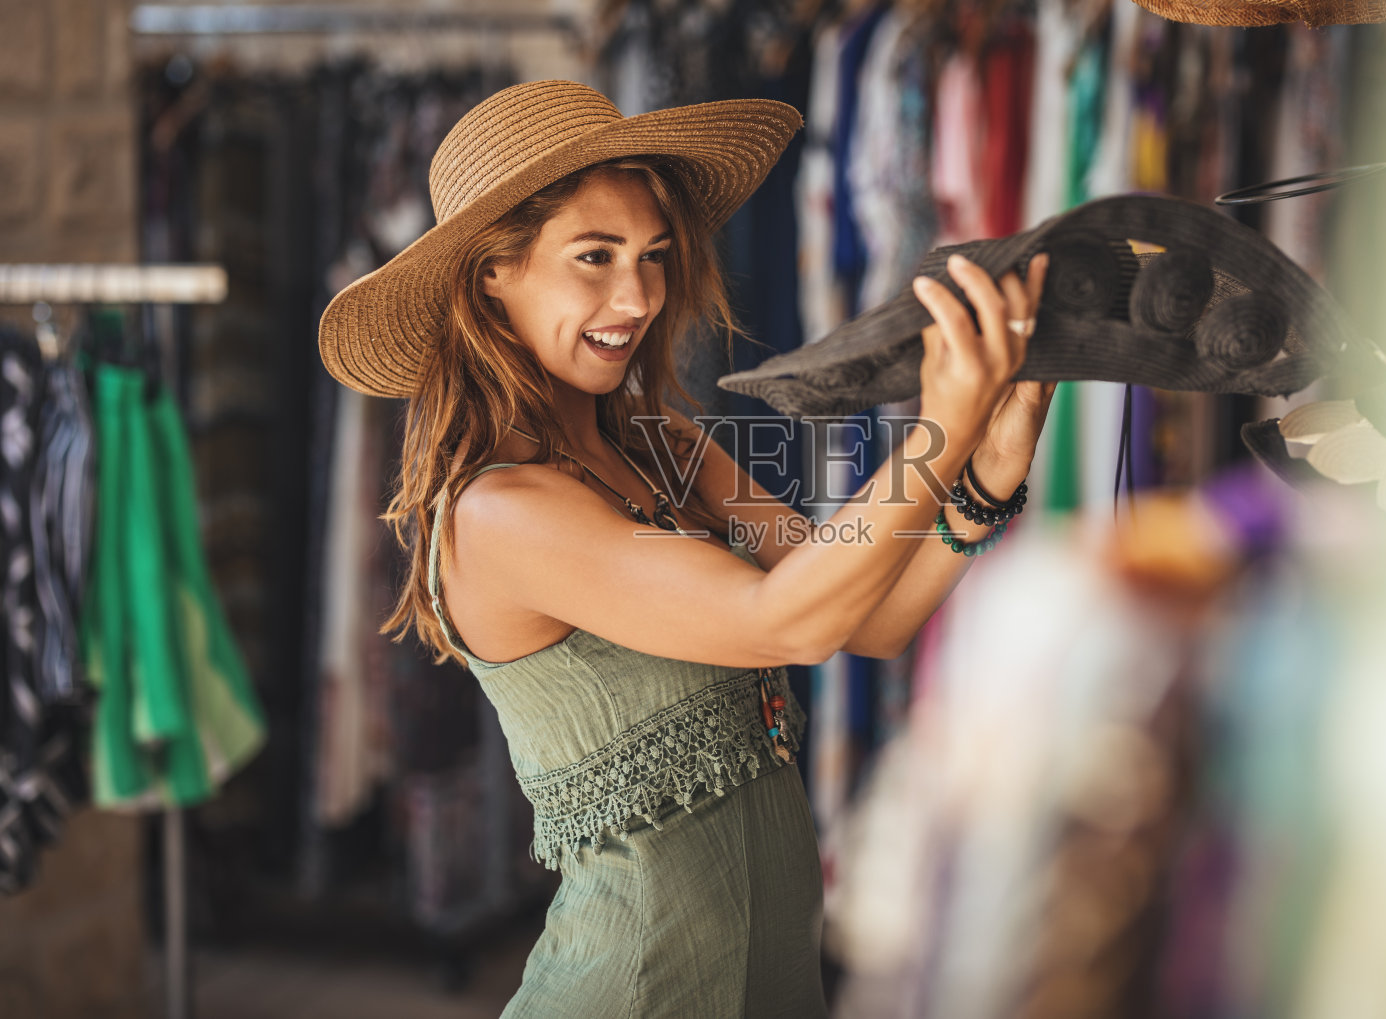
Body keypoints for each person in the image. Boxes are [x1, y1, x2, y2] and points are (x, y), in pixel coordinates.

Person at [318, 80, 1054, 1018]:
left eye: (654, 256)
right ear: (490, 275)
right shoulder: (498, 514)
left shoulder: (660, 442)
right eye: (595, 257)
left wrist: (986, 476)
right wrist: (936, 436)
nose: (637, 296)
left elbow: (863, 617)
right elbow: (788, 621)